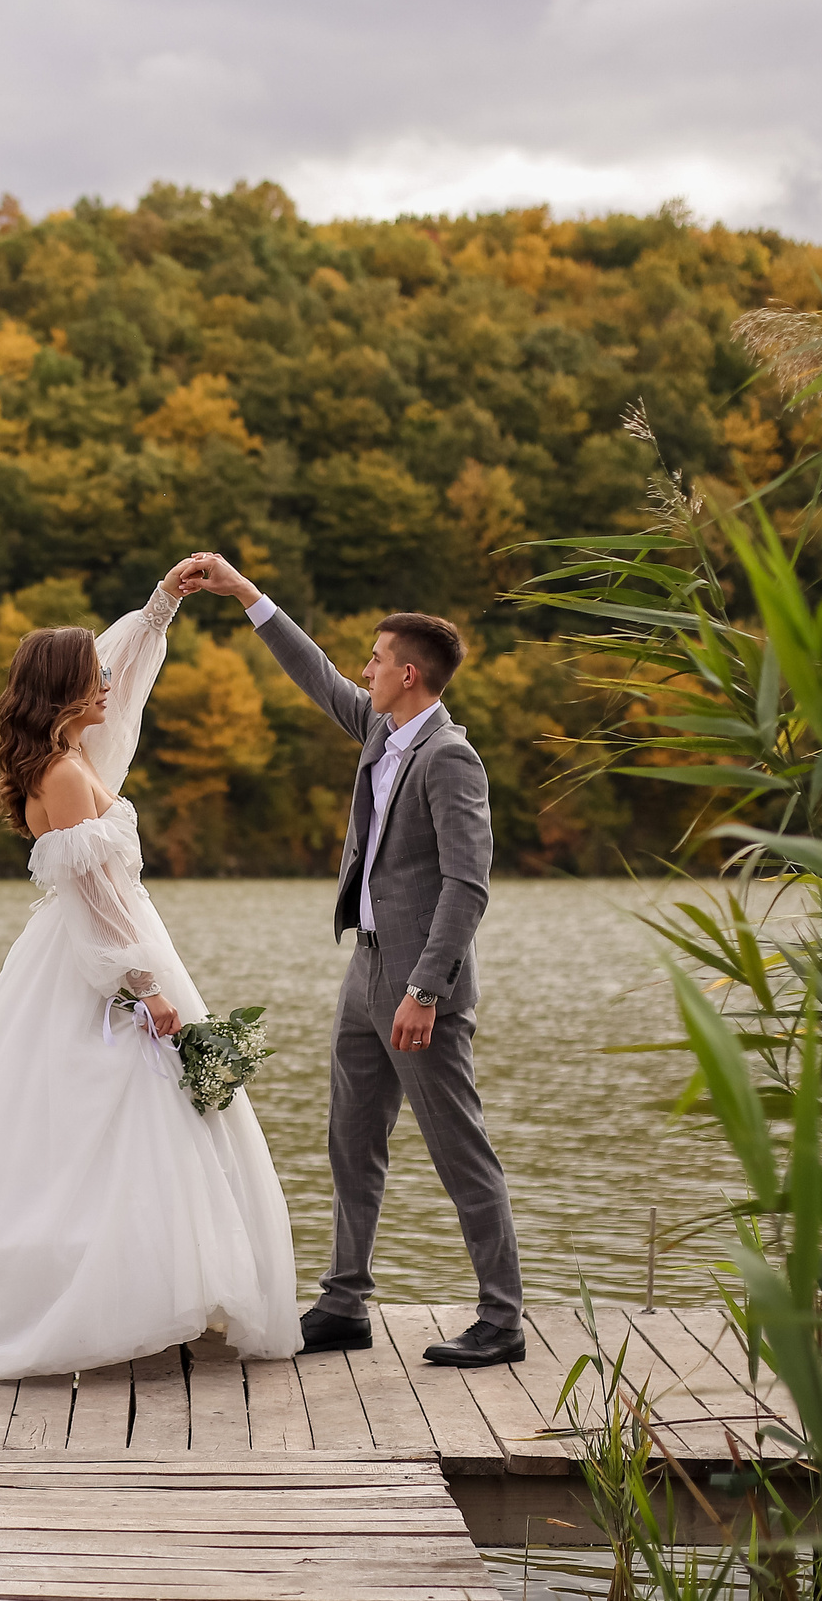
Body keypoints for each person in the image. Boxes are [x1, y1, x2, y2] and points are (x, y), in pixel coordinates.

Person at [0, 572, 301, 1380]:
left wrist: (161, 607)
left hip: (76, 951)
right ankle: (115, 1303)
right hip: (109, 955)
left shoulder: (61, 759)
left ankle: (136, 1295)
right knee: (136, 1118)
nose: (111, 685)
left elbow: (120, 660)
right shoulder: (69, 774)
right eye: (97, 679)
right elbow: (101, 895)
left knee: (84, 1130)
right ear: (69, 691)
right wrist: (147, 988)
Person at [179, 551, 525, 1369]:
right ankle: (345, 1301)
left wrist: (424, 988)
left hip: (417, 988)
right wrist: (245, 594)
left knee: (458, 1145)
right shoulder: (381, 729)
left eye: (374, 658)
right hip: (364, 972)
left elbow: (467, 885)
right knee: (351, 1138)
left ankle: (502, 1319)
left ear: (408, 673)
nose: (361, 668)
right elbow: (314, 673)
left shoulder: (450, 757)